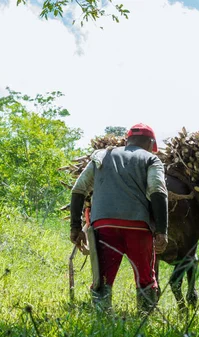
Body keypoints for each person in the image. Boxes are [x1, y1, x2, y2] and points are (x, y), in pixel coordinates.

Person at [69, 123, 168, 313]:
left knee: (102, 279)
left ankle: (102, 318)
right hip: (138, 228)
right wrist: (162, 231)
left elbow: (79, 189)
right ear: (150, 143)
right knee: (146, 278)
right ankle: (145, 319)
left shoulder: (102, 156)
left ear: (127, 140)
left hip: (104, 227)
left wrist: (75, 227)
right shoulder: (151, 160)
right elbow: (157, 191)